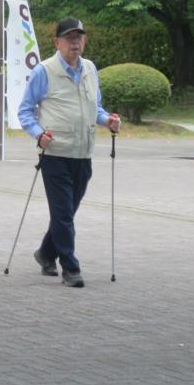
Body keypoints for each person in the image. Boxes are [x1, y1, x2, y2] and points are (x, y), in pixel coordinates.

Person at [18, 17, 121, 288]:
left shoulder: (90, 68)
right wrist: (39, 134)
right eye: (69, 37)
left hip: (83, 154)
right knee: (63, 213)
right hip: (55, 154)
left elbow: (95, 107)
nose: (75, 42)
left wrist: (106, 120)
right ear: (57, 42)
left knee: (67, 212)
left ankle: (45, 253)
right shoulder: (44, 71)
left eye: (79, 37)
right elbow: (25, 111)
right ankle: (70, 267)